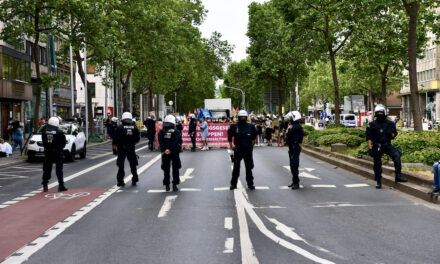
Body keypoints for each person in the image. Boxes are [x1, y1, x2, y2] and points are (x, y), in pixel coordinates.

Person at [366, 104, 408, 189]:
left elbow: (394, 135)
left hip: (387, 144)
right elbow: (369, 137)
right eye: (378, 112)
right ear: (375, 113)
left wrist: (391, 134)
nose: (379, 114)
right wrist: (370, 148)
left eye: (381, 112)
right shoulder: (372, 124)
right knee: (377, 163)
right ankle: (378, 181)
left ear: (384, 113)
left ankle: (398, 176)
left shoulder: (390, 123)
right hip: (377, 145)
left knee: (397, 155)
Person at [228, 110, 257, 190]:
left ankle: (250, 184)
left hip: (248, 149)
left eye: (244, 117)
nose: (243, 118)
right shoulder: (234, 126)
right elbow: (229, 137)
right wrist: (231, 146)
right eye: (241, 117)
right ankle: (233, 184)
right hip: (238, 149)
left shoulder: (251, 126)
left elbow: (254, 135)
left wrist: (252, 144)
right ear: (238, 117)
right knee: (236, 168)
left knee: (249, 168)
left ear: (246, 117)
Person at [113, 112, 141, 187]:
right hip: (131, 148)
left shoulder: (120, 127)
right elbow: (138, 138)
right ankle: (135, 179)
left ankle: (120, 181)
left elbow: (115, 140)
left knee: (121, 165)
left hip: (121, 148)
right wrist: (132, 143)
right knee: (133, 164)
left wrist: (114, 149)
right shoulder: (135, 127)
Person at [41, 117, 68, 192]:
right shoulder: (59, 132)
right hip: (57, 153)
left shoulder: (44, 132)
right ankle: (61, 185)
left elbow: (44, 142)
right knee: (59, 170)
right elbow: (63, 142)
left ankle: (45, 185)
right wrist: (59, 148)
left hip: (48, 152)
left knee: (47, 169)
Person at [158, 115, 182, 192]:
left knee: (166, 169)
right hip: (174, 152)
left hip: (165, 153)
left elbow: (160, 142)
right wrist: (170, 149)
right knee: (175, 169)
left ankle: (167, 185)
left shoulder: (161, 132)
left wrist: (165, 149)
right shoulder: (176, 132)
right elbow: (177, 142)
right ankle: (175, 184)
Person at [285, 111, 304, 189]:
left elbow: (290, 136)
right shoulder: (294, 126)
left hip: (294, 147)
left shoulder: (295, 127)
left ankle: (296, 183)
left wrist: (288, 130)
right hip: (292, 147)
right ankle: (294, 181)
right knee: (292, 165)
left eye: (291, 118)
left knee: (294, 165)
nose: (290, 119)